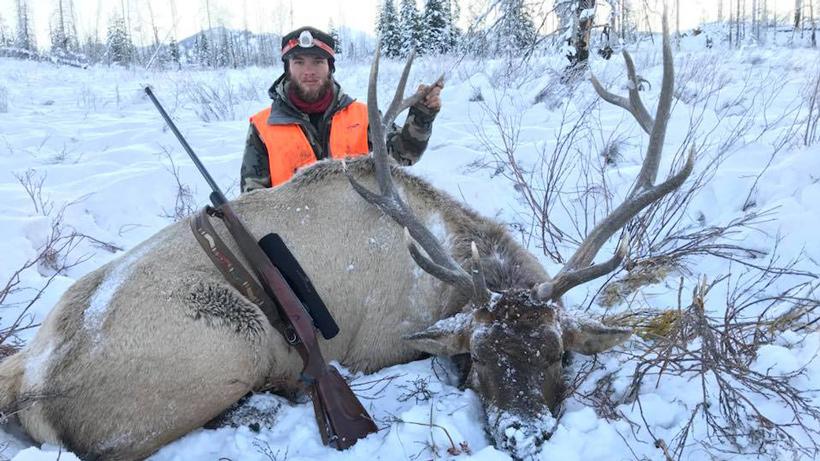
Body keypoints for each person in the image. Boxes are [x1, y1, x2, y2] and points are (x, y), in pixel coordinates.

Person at [241, 26, 443, 192]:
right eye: (299, 62)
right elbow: (253, 199)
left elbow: (404, 155)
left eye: (318, 62)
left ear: (330, 67)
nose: (308, 71)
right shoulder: (263, 127)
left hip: (356, 227)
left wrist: (421, 117)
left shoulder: (363, 116)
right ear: (288, 68)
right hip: (291, 234)